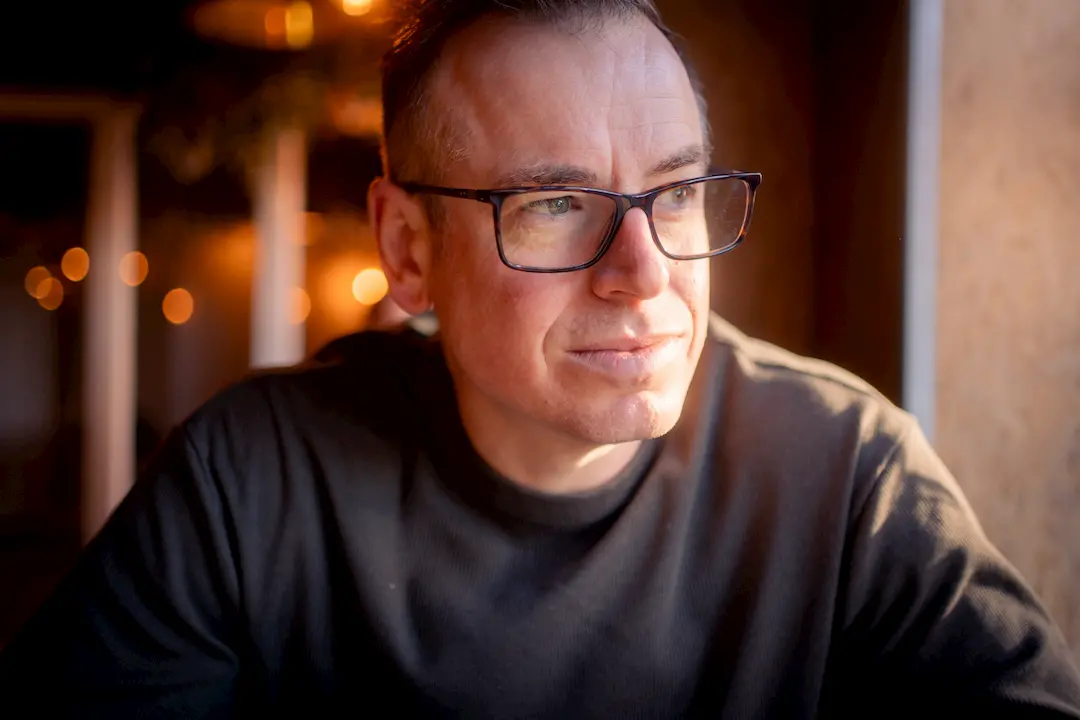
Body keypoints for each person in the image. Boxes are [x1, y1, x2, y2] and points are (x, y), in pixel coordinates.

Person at [2, 0, 1079, 716]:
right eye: (557, 203)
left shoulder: (849, 473)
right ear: (407, 251)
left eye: (675, 192)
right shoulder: (255, 479)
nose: (646, 273)